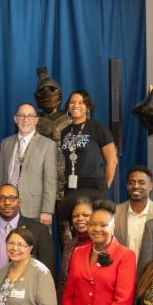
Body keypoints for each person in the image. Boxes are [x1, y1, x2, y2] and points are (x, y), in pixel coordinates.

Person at [55, 91, 116, 232]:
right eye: (72, 102)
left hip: (94, 185)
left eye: (80, 102)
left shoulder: (97, 128)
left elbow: (112, 161)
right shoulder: (65, 131)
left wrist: (104, 187)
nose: (76, 105)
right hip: (72, 185)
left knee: (95, 229)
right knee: (77, 229)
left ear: (88, 107)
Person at [0, 184, 58, 276]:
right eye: (2, 198)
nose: (7, 202)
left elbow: (47, 270)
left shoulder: (39, 230)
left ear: (19, 202)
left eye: (12, 198)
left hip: (27, 289)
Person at [0, 103, 58, 225]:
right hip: (7, 207)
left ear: (36, 120)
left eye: (30, 116)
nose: (25, 119)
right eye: (22, 116)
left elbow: (50, 180)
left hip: (35, 209)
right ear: (15, 119)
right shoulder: (5, 143)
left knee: (35, 243)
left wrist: (47, 210)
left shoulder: (48, 145)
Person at [114, 165, 153, 254]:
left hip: (151, 267)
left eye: (141, 183)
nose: (135, 186)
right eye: (131, 182)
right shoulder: (115, 212)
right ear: (127, 186)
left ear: (150, 186)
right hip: (122, 267)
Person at [58, 197, 94, 297]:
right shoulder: (70, 244)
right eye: (75, 216)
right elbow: (63, 281)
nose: (80, 219)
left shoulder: (101, 244)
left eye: (85, 215)